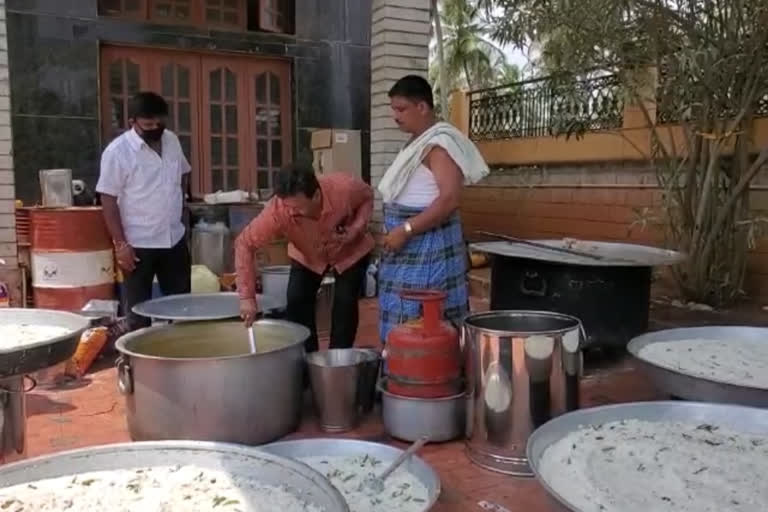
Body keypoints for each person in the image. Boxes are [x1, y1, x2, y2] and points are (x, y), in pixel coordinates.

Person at [378, 75, 490, 342]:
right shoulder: (417, 142)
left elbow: (449, 199)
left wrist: (406, 229)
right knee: (402, 320)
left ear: (422, 107)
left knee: (421, 322)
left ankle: (425, 379)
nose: (395, 116)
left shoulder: (439, 145)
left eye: (401, 109)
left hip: (427, 248)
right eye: (393, 109)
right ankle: (399, 376)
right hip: (407, 247)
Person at [235, 162, 374, 353]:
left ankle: (338, 364)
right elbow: (244, 243)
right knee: (297, 301)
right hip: (307, 253)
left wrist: (356, 229)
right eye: (287, 206)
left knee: (345, 304)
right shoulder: (277, 210)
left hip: (349, 250)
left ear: (316, 196)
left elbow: (368, 197)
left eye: (297, 208)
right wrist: (247, 298)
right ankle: (307, 363)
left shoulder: (345, 187)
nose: (290, 212)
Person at [96, 91, 192, 331]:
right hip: (138, 244)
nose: (156, 128)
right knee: (138, 312)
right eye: (149, 124)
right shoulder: (117, 153)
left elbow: (183, 172)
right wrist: (121, 245)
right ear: (133, 122)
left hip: (174, 238)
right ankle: (138, 366)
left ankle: (181, 359)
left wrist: (182, 208)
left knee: (183, 309)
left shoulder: (171, 140)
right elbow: (107, 200)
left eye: (160, 123)